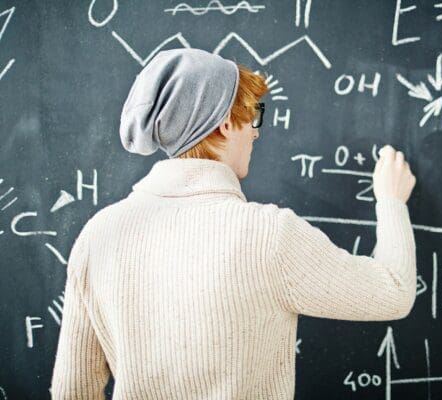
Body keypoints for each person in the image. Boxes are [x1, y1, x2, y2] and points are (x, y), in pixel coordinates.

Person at [50, 48, 417, 399]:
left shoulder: (98, 235)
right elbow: (394, 292)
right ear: (225, 124)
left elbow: (71, 392)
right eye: (253, 116)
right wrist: (390, 200)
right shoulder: (267, 235)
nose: (256, 132)